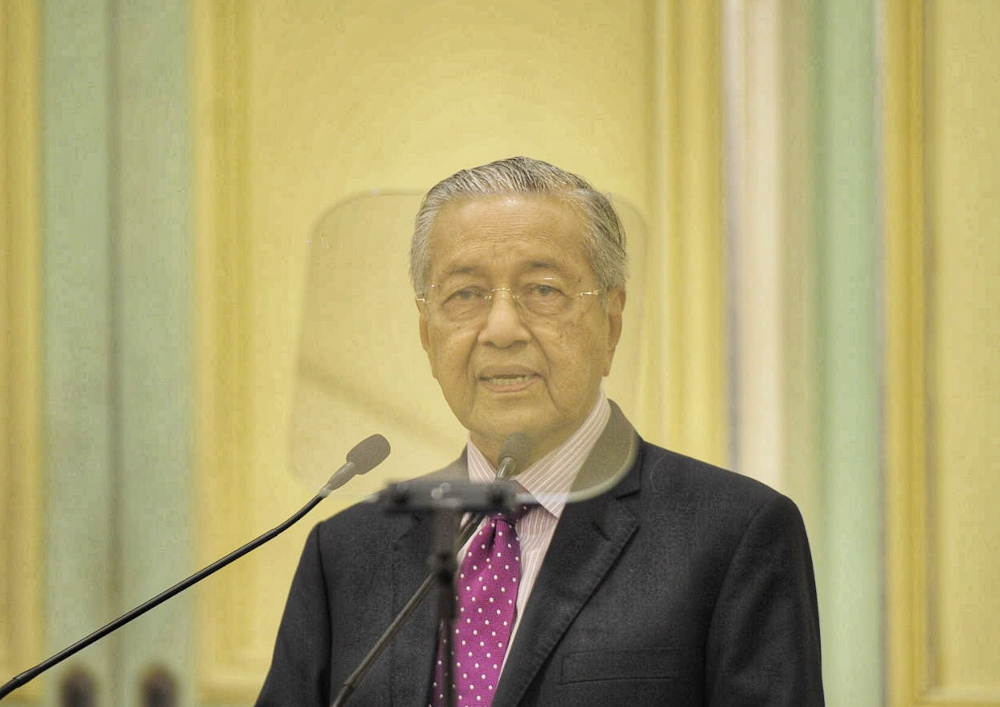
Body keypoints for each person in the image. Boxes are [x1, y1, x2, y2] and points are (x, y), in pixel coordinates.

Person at [256, 156, 825, 706]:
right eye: (465, 295)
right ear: (427, 335)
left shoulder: (733, 536)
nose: (501, 329)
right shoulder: (348, 552)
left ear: (612, 320)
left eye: (544, 290)